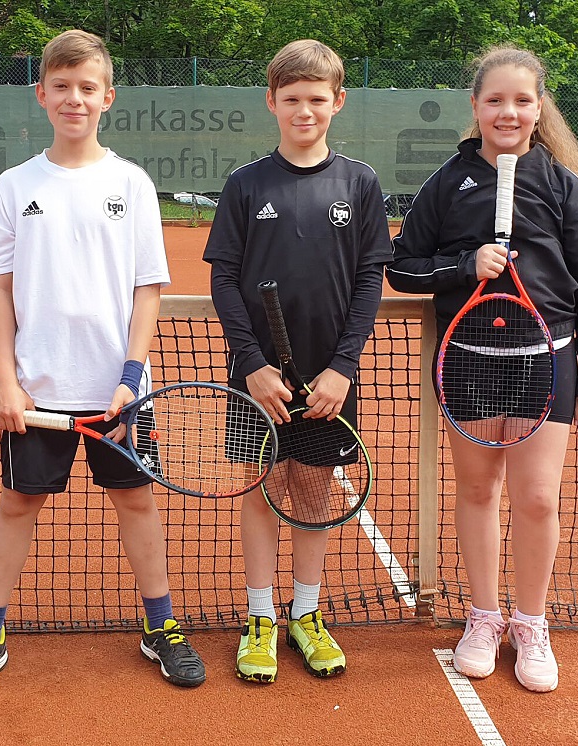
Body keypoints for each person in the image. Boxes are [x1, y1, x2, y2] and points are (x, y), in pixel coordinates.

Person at [0, 29, 205, 703]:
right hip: (36, 391)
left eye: (87, 87)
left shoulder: (131, 184)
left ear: (108, 97)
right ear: (41, 94)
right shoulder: (13, 185)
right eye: (61, 86)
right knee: (18, 504)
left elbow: (150, 287)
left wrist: (132, 374)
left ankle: (161, 626)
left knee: (136, 502)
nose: (74, 98)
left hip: (117, 392)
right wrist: (6, 379)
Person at [387, 45, 578, 693]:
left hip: (549, 362)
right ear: (476, 107)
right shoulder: (449, 182)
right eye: (495, 100)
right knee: (480, 492)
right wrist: (464, 265)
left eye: (522, 100)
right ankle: (483, 618)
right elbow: (402, 266)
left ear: (539, 107)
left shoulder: (562, 185)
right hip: (470, 363)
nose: (508, 111)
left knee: (538, 498)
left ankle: (531, 623)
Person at [202, 39, 391, 684]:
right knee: (260, 493)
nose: (304, 110)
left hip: (328, 378)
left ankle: (305, 613)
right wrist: (252, 364)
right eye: (291, 99)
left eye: (317, 99)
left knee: (312, 492)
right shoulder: (245, 184)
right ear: (271, 103)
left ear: (337, 102)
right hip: (257, 378)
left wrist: (342, 367)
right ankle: (260, 616)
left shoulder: (361, 184)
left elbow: (370, 283)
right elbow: (224, 281)